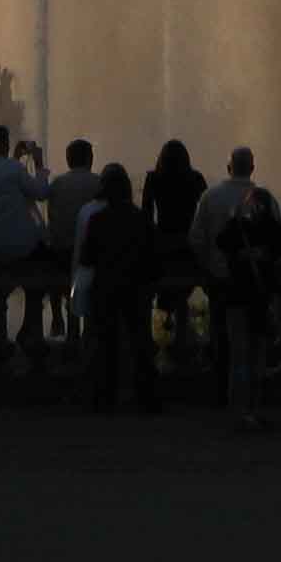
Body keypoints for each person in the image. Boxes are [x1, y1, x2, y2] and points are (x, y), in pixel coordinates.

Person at [78, 163, 159, 414]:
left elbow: (86, 258)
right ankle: (146, 397)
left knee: (105, 344)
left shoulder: (97, 219)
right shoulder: (142, 218)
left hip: (106, 288)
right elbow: (153, 256)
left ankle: (104, 397)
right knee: (141, 342)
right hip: (136, 288)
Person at [0, 125, 51, 362]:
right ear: (2, 144)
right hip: (23, 247)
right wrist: (39, 164)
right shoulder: (14, 169)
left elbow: (3, 182)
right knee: (40, 278)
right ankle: (30, 328)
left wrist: (14, 159)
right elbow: (40, 192)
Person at [191, 146, 260, 407]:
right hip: (252, 280)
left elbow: (197, 238)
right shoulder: (262, 197)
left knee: (221, 336)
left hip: (220, 277)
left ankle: (223, 392)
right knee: (252, 339)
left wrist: (207, 266)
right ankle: (249, 396)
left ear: (228, 168)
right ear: (252, 168)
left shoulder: (211, 196)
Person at [214, 180, 281, 430]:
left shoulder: (238, 228)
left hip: (238, 297)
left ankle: (240, 409)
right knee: (257, 357)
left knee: (240, 357)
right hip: (261, 298)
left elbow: (221, 241)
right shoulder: (270, 230)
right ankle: (252, 408)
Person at [142, 139, 207, 366]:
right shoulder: (195, 179)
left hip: (163, 245)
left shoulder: (154, 178)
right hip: (187, 246)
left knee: (166, 287)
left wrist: (154, 242)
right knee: (182, 290)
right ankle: (182, 338)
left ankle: (167, 336)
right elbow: (204, 212)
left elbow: (146, 214)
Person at [46, 139, 103, 357]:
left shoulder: (58, 183)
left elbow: (52, 218)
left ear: (68, 160)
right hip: (90, 255)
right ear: (90, 158)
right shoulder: (99, 183)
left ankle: (63, 326)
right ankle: (84, 335)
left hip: (61, 252)